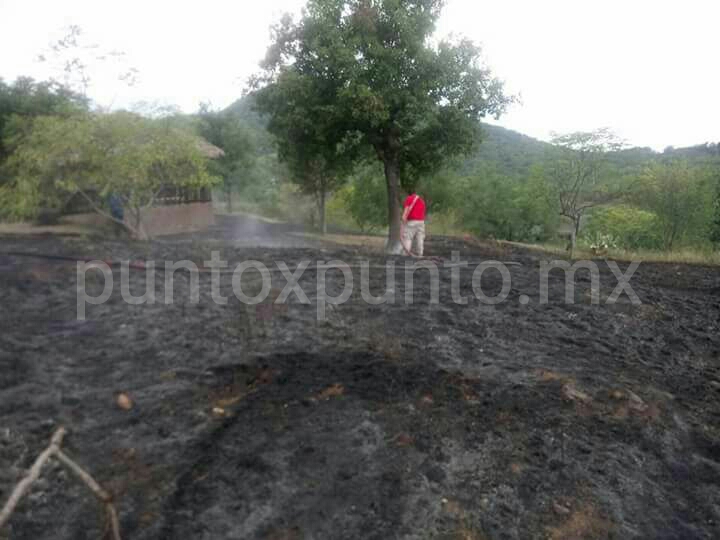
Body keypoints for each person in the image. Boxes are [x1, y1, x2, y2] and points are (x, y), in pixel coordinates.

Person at [401, 190, 427, 257]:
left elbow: (406, 211)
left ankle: (405, 255)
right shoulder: (422, 201)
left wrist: (403, 218)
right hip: (421, 222)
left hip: (411, 222)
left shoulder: (409, 198)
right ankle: (420, 254)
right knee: (420, 238)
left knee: (408, 238)